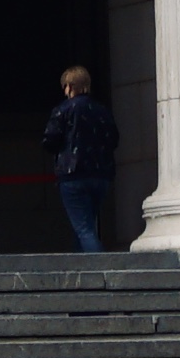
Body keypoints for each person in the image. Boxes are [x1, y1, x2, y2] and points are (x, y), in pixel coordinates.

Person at [44, 64, 118, 254]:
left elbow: (50, 140)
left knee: (84, 230)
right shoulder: (102, 110)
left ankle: (99, 268)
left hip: (72, 175)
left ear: (69, 86)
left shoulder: (64, 110)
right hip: (100, 175)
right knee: (86, 226)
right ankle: (82, 268)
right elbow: (114, 139)